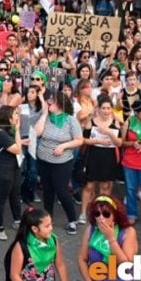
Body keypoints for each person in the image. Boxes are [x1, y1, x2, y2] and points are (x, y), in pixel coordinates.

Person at [34, 90, 83, 235]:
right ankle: (48, 219)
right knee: (47, 191)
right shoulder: (46, 117)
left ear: (61, 104)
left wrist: (63, 146)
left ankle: (72, 220)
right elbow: (37, 133)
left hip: (62, 162)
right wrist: (44, 114)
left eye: (52, 101)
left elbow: (79, 140)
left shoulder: (70, 120)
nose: (49, 103)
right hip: (43, 160)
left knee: (62, 191)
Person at [77, 195, 138, 281]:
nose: (101, 217)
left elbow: (126, 266)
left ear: (115, 215)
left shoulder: (128, 232)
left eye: (106, 214)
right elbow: (82, 259)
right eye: (97, 213)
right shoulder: (90, 231)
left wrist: (111, 239)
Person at [8, 207, 71, 281]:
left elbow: (60, 264)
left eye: (51, 224)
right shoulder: (21, 246)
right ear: (35, 229)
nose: (51, 228)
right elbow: (14, 275)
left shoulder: (53, 240)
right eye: (47, 226)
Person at [80, 95, 122, 224]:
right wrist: (96, 140)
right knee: (89, 185)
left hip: (108, 157)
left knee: (105, 185)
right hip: (93, 155)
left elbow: (119, 143)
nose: (106, 111)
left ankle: (103, 210)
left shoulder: (115, 122)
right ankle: (83, 212)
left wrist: (109, 132)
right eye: (103, 108)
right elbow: (83, 139)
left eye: (108, 108)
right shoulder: (91, 121)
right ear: (98, 109)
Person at [0, 105, 23, 241]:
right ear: (8, 118)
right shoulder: (0, 132)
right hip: (2, 171)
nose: (17, 116)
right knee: (1, 199)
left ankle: (17, 220)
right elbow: (17, 149)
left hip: (14, 168)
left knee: (15, 195)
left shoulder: (8, 131)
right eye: (15, 114)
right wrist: (18, 130)